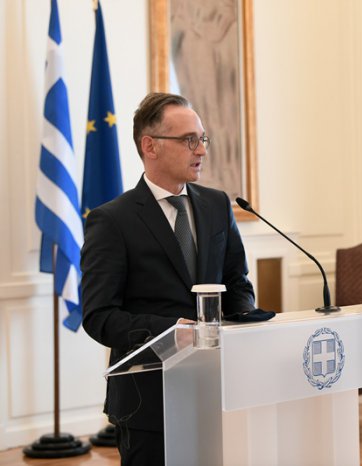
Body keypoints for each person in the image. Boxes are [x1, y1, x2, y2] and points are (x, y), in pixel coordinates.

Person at [81, 92, 257, 465]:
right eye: (188, 140)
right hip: (148, 402)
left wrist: (242, 325)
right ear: (150, 146)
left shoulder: (216, 204)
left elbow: (237, 283)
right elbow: (99, 316)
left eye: (202, 139)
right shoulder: (112, 220)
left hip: (218, 388)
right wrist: (171, 332)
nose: (201, 150)